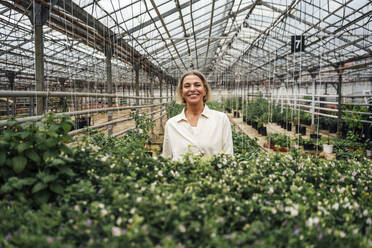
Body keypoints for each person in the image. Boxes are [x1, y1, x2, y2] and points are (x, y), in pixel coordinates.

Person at [162, 70, 233, 161]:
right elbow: (167, 159)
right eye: (187, 86)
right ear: (182, 92)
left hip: (214, 174)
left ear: (205, 90)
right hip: (181, 175)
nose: (192, 89)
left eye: (197, 85)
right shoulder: (172, 124)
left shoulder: (221, 120)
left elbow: (228, 157)